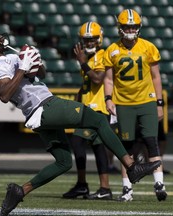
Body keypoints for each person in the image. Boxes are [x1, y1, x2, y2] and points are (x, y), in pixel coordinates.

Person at [0, 21, 161, 215]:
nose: (0, 37)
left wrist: (35, 62)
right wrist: (22, 68)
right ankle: (131, 166)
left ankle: (20, 191)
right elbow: (4, 95)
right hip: (45, 106)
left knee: (64, 162)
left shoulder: (7, 57)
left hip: (39, 113)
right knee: (99, 120)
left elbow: (37, 74)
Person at [103, 9, 167, 202]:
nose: (130, 30)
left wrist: (159, 102)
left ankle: (159, 184)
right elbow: (108, 79)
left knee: (151, 142)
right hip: (123, 103)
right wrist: (108, 99)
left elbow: (156, 77)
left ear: (138, 27)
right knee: (127, 147)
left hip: (146, 101)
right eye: (127, 26)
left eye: (133, 26)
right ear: (120, 27)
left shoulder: (148, 47)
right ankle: (127, 188)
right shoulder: (112, 50)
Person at [62, 22, 112, 200]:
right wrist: (77, 102)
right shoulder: (89, 58)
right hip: (88, 107)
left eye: (92, 39)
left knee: (77, 142)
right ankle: (103, 188)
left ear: (99, 39)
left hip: (97, 109)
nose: (89, 43)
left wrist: (83, 63)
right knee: (98, 148)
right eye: (86, 40)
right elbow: (86, 85)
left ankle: (84, 185)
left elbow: (98, 79)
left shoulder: (102, 55)